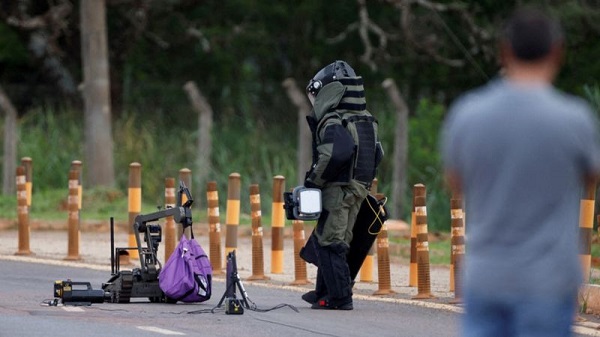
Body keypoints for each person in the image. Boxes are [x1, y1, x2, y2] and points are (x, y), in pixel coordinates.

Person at [441, 7, 600, 337]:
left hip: (485, 277)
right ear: (557, 53)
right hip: (548, 281)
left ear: (504, 51)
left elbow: (455, 181)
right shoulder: (575, 119)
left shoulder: (467, 113)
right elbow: (591, 180)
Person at [301, 60, 383, 310]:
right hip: (359, 187)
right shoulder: (366, 119)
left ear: (330, 92)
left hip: (339, 188)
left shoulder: (334, 120)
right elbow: (377, 154)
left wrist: (313, 180)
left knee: (330, 242)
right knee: (336, 239)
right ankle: (322, 292)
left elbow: (334, 154)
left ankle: (339, 297)